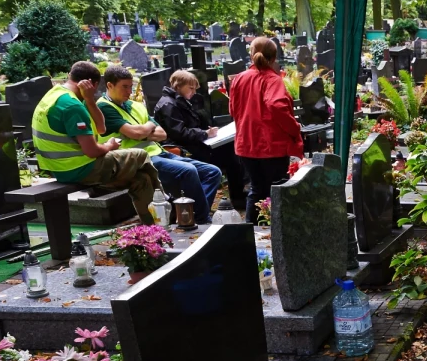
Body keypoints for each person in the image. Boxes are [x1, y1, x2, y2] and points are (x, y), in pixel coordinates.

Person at [30, 61, 160, 223]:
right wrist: (109, 146)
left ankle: (153, 226)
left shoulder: (55, 95)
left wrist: (90, 100)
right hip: (79, 168)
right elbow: (92, 151)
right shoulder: (71, 106)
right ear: (92, 84)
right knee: (140, 155)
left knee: (142, 180)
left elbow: (101, 128)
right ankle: (163, 202)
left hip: (59, 168)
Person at [98, 65, 222, 224]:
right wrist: (145, 130)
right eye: (124, 87)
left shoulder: (135, 105)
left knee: (213, 172)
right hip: (138, 160)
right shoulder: (104, 107)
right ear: (110, 85)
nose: (129, 91)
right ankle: (202, 220)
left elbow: (162, 134)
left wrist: (143, 130)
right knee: (189, 171)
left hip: (160, 152)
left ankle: (190, 215)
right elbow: (136, 133)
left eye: (131, 86)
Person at [229, 36, 303, 224]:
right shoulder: (272, 80)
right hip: (272, 146)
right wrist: (294, 129)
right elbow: (276, 106)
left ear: (252, 54)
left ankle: (251, 233)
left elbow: (232, 110)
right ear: (274, 57)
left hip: (246, 144)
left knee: (256, 189)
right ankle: (280, 234)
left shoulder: (239, 78)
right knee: (278, 190)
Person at [153, 69, 248, 211]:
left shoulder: (179, 101)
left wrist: (206, 131)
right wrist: (204, 134)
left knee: (232, 151)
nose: (193, 92)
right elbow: (179, 132)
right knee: (229, 156)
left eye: (195, 88)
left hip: (193, 145)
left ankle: (238, 198)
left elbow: (190, 126)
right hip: (184, 150)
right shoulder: (169, 104)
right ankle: (200, 208)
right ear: (178, 86)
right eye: (190, 88)